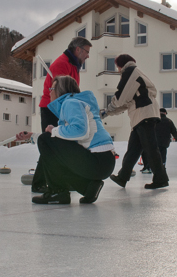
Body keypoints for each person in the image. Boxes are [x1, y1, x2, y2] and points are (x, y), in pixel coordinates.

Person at [16, 75, 115, 205]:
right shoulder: (76, 102)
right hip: (103, 161)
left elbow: (80, 131)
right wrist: (33, 136)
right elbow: (65, 141)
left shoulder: (70, 103)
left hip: (96, 160)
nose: (49, 91)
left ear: (60, 90)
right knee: (52, 147)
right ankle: (88, 187)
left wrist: (53, 131)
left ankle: (57, 192)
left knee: (46, 141)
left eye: (52, 87)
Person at [31, 37, 91, 193]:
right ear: (78, 50)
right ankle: (40, 182)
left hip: (60, 108)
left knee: (59, 145)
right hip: (52, 108)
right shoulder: (62, 64)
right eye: (86, 52)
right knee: (52, 145)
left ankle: (56, 180)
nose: (88, 56)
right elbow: (60, 93)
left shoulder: (73, 65)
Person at [103, 54, 169, 190]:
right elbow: (127, 101)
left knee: (151, 149)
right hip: (143, 115)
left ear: (120, 65)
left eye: (117, 67)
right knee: (133, 150)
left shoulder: (129, 72)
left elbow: (120, 97)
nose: (117, 70)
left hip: (144, 115)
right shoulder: (136, 73)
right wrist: (108, 112)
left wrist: (109, 108)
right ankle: (123, 177)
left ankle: (161, 179)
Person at [140, 108, 177, 173]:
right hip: (165, 141)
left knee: (152, 154)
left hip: (155, 141)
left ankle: (149, 167)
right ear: (165, 113)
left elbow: (148, 130)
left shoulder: (154, 120)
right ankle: (162, 166)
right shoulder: (169, 121)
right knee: (163, 153)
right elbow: (174, 130)